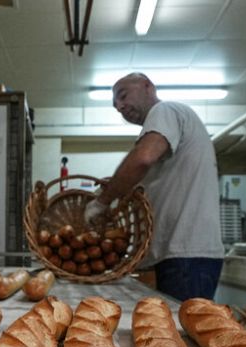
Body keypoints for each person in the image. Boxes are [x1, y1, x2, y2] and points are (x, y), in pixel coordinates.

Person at [83, 72, 224, 301]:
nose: (119, 106)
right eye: (115, 104)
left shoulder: (165, 110)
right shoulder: (165, 130)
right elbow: (141, 176)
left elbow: (142, 159)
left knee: (179, 332)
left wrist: (102, 201)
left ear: (148, 86)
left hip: (186, 255)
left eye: (123, 95)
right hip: (179, 256)